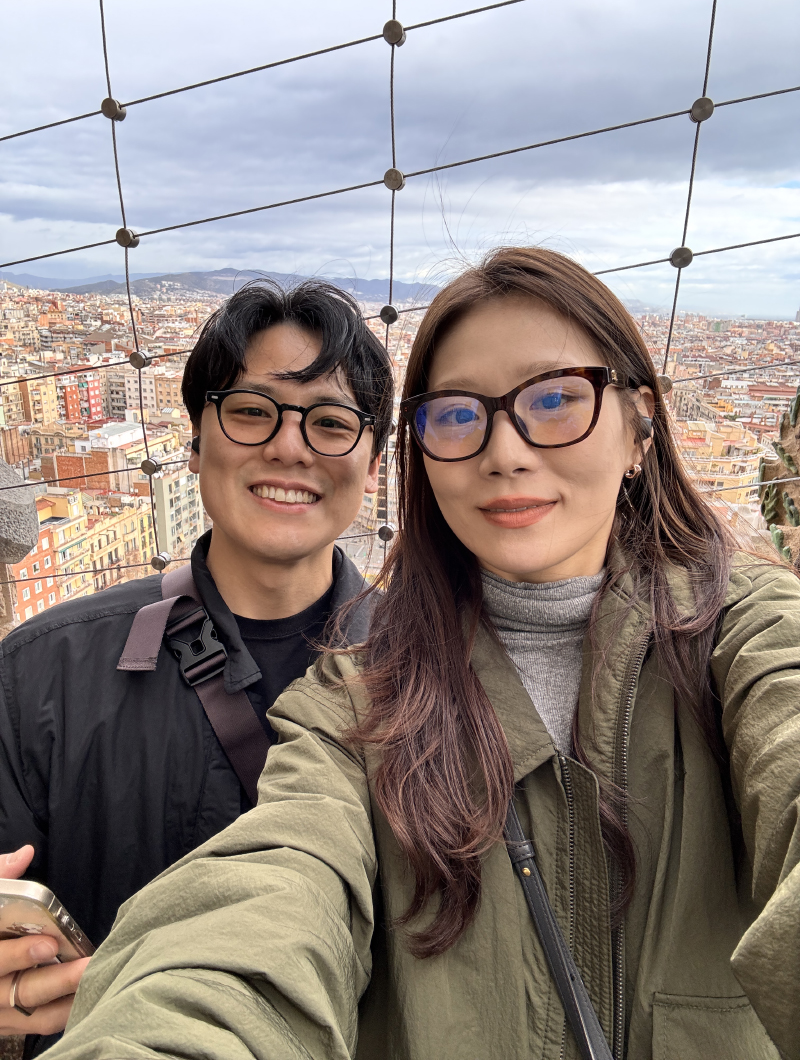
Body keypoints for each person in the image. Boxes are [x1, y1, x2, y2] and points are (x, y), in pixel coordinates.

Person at [40, 248, 800, 1060]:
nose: (505, 451)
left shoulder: (749, 632)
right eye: (459, 414)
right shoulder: (358, 699)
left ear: (640, 425)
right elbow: (269, 898)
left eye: (554, 399)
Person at [0, 277, 393, 1052]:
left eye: (330, 422)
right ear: (194, 440)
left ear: (374, 463)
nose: (289, 446)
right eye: (251, 411)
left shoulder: (440, 677)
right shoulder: (37, 678)